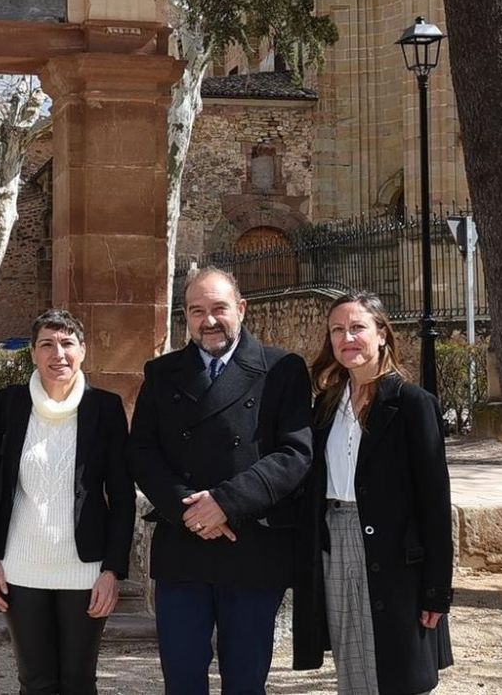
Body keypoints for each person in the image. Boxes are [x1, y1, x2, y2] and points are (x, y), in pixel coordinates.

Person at [128, 266, 312, 695]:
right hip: (183, 542)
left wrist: (226, 503)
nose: (208, 321)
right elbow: (141, 452)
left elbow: (294, 453)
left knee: (246, 681)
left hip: (251, 545)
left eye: (218, 309)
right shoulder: (161, 372)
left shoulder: (281, 368)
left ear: (241, 309)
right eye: (197, 311)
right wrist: (188, 509)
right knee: (183, 678)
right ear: (185, 317)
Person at [292, 292, 453, 695]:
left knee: (397, 673)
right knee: (353, 663)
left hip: (395, 555)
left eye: (358, 327)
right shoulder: (326, 405)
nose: (347, 337)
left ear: (382, 334)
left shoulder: (413, 405)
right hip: (335, 542)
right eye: (337, 330)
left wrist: (437, 589)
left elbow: (435, 503)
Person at [0, 309, 134, 695]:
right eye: (47, 344)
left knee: (78, 682)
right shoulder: (8, 405)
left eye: (67, 343)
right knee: (35, 681)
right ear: (32, 353)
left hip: (84, 570)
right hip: (19, 567)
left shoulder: (106, 408)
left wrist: (112, 570)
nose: (58, 354)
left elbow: (121, 496)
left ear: (82, 351)